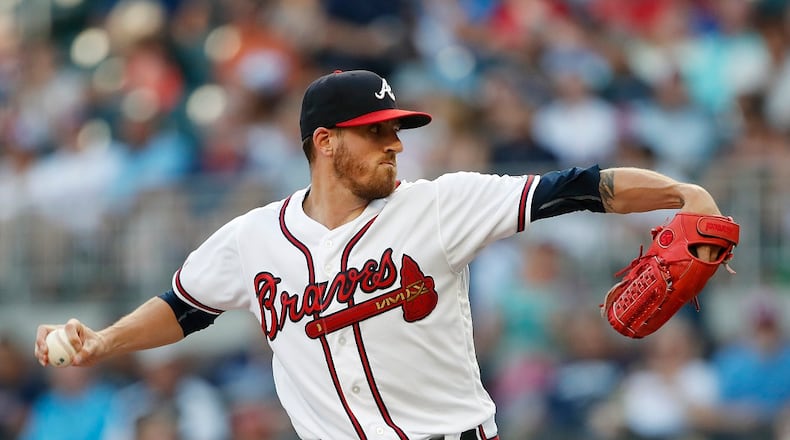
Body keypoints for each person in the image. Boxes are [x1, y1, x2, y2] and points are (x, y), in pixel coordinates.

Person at [34, 69, 728, 439]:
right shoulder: (252, 239)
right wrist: (102, 341)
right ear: (325, 142)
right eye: (376, 133)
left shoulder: (439, 204)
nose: (395, 143)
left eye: (397, 129)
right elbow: (184, 307)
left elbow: (574, 188)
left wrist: (683, 192)